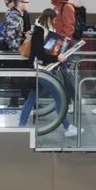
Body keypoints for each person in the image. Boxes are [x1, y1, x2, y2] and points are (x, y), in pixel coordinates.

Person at [19, 8, 79, 136]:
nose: (55, 22)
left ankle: (21, 126)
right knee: (59, 96)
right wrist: (56, 57)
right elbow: (40, 54)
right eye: (54, 20)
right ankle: (68, 127)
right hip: (41, 71)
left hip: (43, 70)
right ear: (48, 19)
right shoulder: (39, 31)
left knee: (31, 99)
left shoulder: (43, 30)